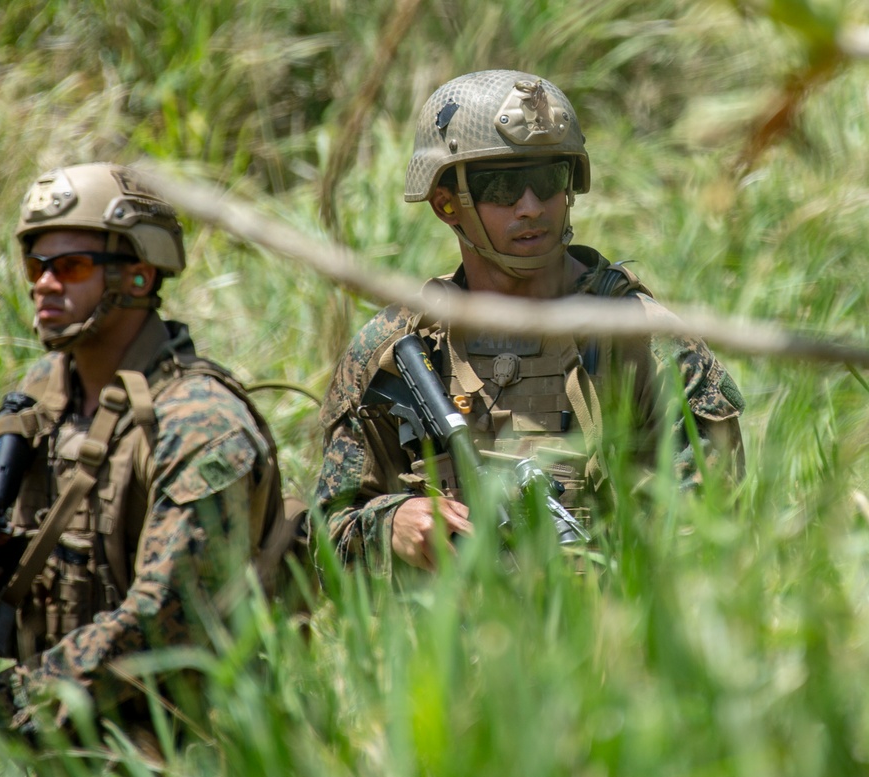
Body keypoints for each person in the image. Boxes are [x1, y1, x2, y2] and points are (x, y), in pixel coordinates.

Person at [315, 70, 746, 575]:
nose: (531, 206)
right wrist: (392, 526)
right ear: (445, 203)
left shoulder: (644, 342)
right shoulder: (394, 352)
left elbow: (714, 536)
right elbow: (325, 544)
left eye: (548, 180)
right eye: (500, 185)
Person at [0, 162, 291, 749]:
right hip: (68, 753)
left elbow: (168, 617)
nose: (44, 284)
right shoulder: (46, 392)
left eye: (70, 267)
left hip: (185, 763)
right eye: (35, 265)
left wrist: (12, 699)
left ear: (140, 278)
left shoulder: (201, 423)